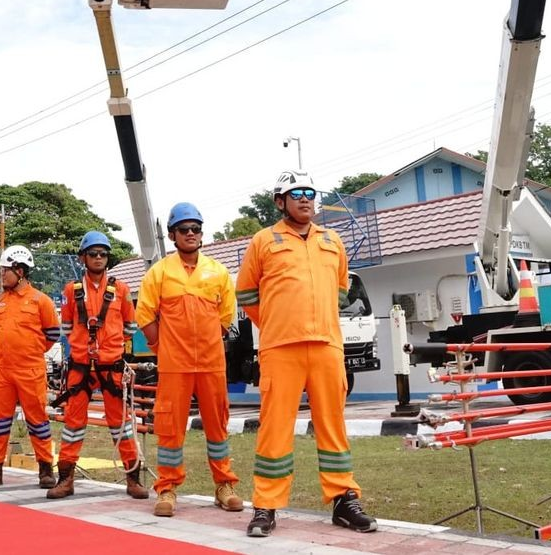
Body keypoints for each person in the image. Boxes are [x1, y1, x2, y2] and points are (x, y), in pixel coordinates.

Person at [235, 170, 377, 538]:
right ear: (279, 201)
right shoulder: (264, 241)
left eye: (310, 193)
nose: (305, 199)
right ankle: (266, 506)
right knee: (274, 429)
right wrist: (278, 320)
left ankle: (344, 500)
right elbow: (247, 294)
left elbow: (343, 289)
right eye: (295, 193)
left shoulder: (333, 240)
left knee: (333, 426)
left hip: (328, 346)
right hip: (281, 349)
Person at [136, 203, 243, 517]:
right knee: (169, 428)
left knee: (218, 426)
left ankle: (225, 486)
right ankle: (167, 489)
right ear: (172, 235)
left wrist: (208, 342)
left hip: (211, 363)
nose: (191, 234)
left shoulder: (218, 271)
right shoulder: (160, 272)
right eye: (184, 229)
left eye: (196, 228)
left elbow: (226, 317)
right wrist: (162, 346)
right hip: (174, 365)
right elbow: (145, 314)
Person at [47, 231, 149, 500]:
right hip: (80, 367)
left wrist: (109, 347)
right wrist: (86, 347)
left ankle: (133, 478)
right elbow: (67, 327)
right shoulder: (72, 290)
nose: (99, 258)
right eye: (93, 253)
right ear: (83, 257)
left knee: (122, 424)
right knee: (73, 425)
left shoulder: (121, 289)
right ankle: (65, 479)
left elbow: (131, 327)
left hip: (111, 367)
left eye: (103, 254)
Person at [0, 245, 60, 490]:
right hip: (1, 370)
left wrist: (31, 351)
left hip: (30, 370)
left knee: (38, 420)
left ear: (20, 271)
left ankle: (45, 468)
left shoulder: (41, 301)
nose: (1, 275)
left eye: (5, 271)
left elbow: (53, 334)